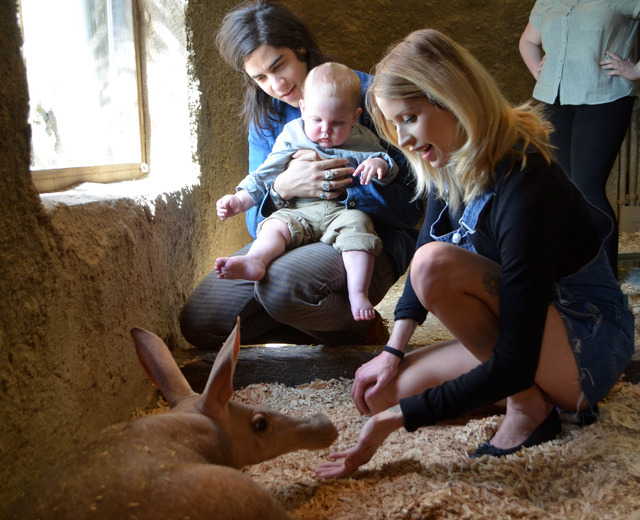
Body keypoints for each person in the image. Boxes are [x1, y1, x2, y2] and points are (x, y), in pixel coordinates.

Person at [315, 29, 635, 479]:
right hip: (524, 330)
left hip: (585, 339)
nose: (403, 140)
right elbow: (428, 241)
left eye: (409, 117)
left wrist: (396, 423)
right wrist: (392, 350)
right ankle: (527, 396)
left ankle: (527, 408)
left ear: (451, 98)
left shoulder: (527, 183)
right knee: (379, 396)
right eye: (394, 124)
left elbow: (439, 274)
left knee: (434, 273)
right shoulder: (449, 162)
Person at [179, 1, 422, 348]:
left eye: (279, 66)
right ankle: (319, 323)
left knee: (281, 285)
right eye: (260, 77)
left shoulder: (369, 97)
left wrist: (344, 183)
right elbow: (252, 222)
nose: (276, 85)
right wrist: (281, 188)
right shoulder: (266, 116)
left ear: (300, 47)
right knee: (201, 321)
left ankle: (356, 327)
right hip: (297, 228)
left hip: (364, 236)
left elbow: (412, 208)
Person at [215, 62, 398, 321]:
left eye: (337, 122)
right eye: (316, 120)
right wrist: (239, 200)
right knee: (274, 226)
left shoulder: (363, 137)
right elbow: (265, 174)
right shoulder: (292, 134)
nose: (325, 130)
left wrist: (379, 165)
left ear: (355, 117)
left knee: (359, 229)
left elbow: (388, 164)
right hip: (298, 210)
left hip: (342, 212)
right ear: (303, 109)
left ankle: (358, 292)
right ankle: (255, 260)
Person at [519, 1, 640, 276]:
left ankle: (606, 284)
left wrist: (636, 70)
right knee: (565, 190)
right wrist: (540, 71)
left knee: (587, 188)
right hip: (555, 100)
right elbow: (528, 40)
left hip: (605, 96)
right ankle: (575, 278)